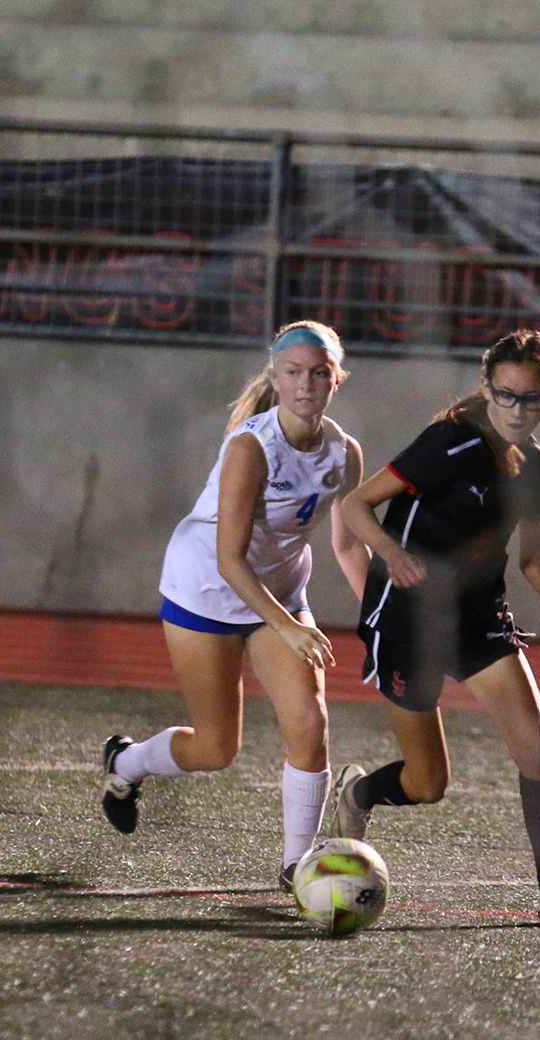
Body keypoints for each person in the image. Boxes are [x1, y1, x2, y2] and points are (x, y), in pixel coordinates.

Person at [325, 329, 540, 929]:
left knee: (538, 752)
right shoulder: (448, 442)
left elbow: (535, 560)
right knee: (427, 784)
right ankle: (357, 794)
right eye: (506, 395)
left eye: (530, 399)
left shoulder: (536, 467)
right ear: (487, 389)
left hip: (478, 618)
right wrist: (392, 553)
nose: (517, 410)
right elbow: (355, 505)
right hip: (407, 621)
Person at [99, 320, 367, 887]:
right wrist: (288, 627)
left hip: (279, 591)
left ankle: (296, 867)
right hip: (206, 589)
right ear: (276, 377)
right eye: (293, 372)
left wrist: (379, 615)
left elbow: (347, 544)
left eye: (319, 373)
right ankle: (126, 763)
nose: (305, 384)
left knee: (310, 723)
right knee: (216, 748)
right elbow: (229, 559)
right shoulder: (252, 447)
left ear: (336, 379)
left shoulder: (345, 452)